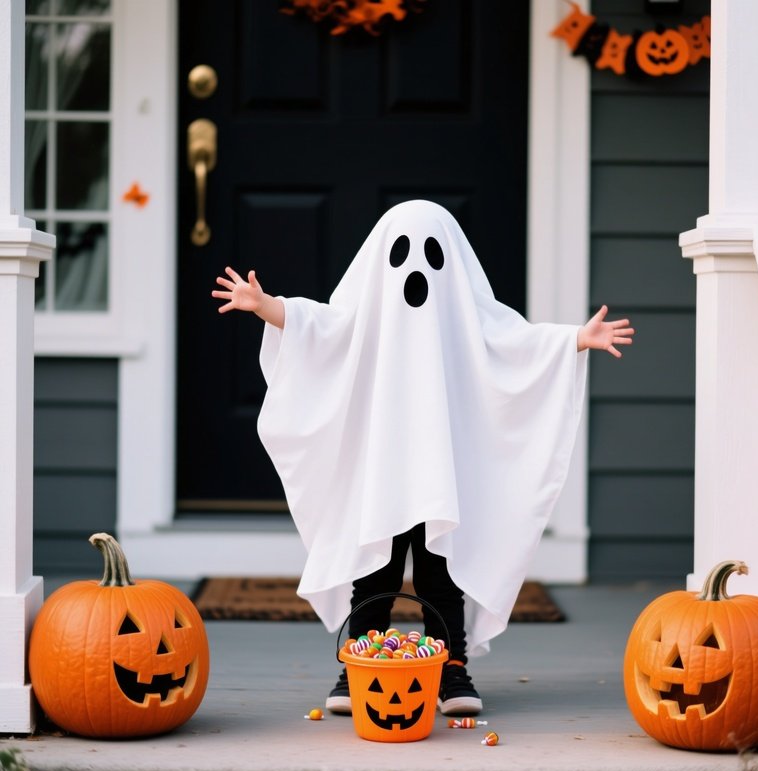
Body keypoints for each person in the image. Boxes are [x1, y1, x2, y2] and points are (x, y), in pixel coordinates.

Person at [212, 200, 634, 716]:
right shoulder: (364, 318)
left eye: (431, 255)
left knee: (442, 567)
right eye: (402, 255)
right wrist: (266, 305)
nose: (416, 269)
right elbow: (317, 326)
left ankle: (451, 667)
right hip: (380, 471)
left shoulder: (467, 321)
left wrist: (574, 339)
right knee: (376, 567)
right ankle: (360, 664)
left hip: (443, 472)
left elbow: (515, 343)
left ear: (452, 265)